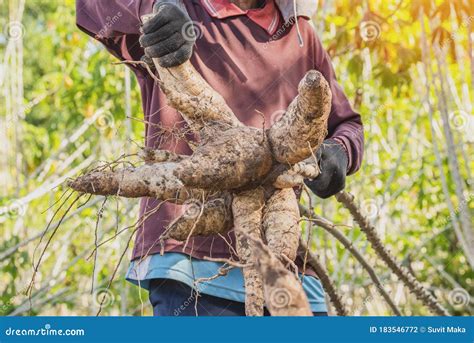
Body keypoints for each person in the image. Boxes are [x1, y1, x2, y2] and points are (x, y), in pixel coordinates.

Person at [76, 0, 364, 316]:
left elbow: (345, 124)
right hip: (190, 267)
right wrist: (158, 8)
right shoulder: (179, 10)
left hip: (287, 266)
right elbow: (92, 8)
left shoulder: (300, 33)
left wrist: (340, 153)